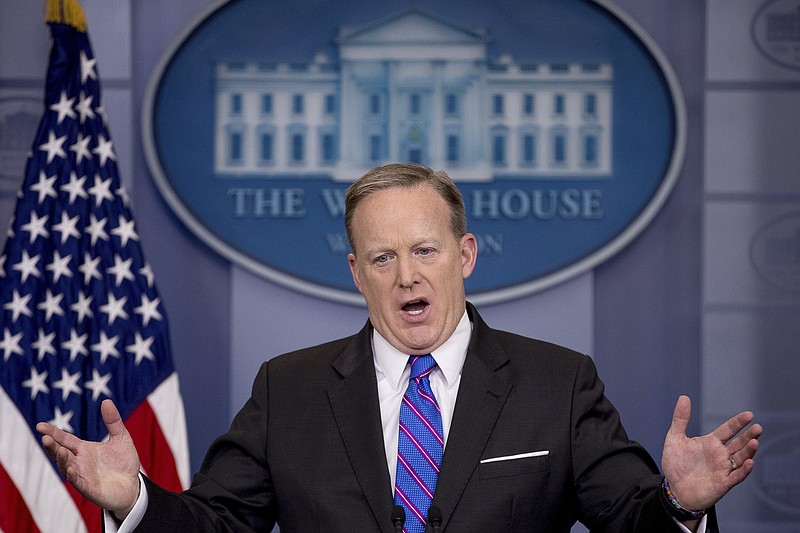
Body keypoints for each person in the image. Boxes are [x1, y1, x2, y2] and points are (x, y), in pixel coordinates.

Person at [37, 163, 761, 532]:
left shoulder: (558, 382)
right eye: (382, 257)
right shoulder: (286, 389)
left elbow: (630, 522)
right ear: (355, 272)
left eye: (425, 249)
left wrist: (679, 506)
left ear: (466, 253)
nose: (407, 275)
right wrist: (135, 499)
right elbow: (215, 526)